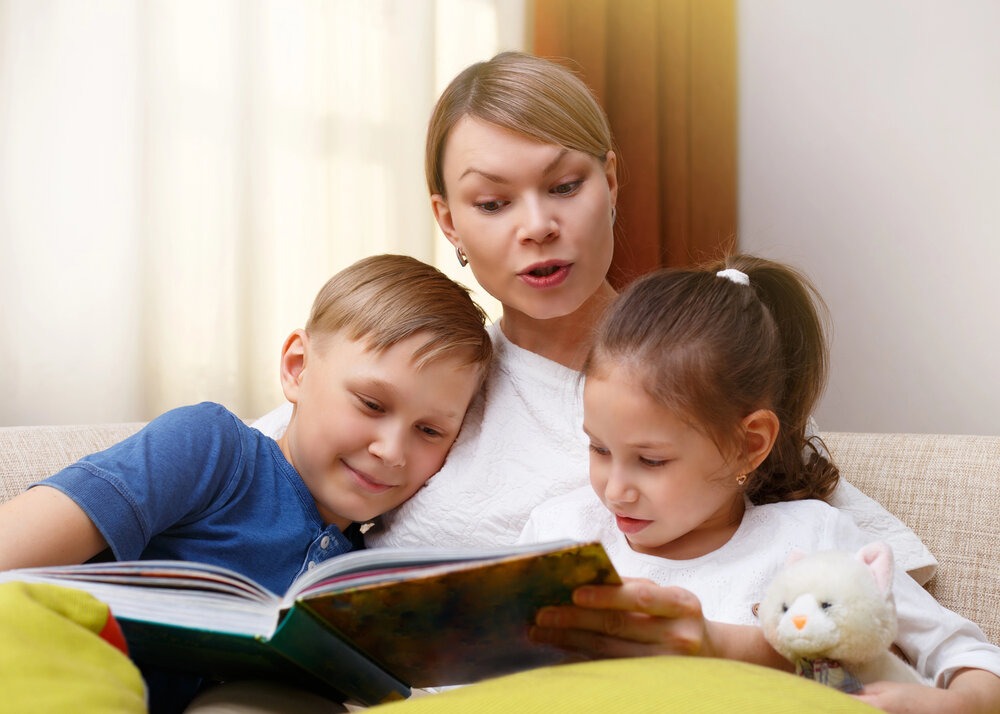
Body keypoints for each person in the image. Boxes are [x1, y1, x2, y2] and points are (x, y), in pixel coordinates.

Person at [256, 49, 935, 616]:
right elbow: (258, 460)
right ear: (449, 221)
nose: (537, 226)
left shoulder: (693, 370)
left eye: (564, 186)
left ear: (610, 181)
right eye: (492, 203)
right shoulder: (430, 383)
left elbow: (887, 584)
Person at [0, 254, 493, 713]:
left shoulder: (364, 573)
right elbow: (14, 549)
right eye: (371, 403)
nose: (391, 450)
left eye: (429, 431)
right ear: (298, 368)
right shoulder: (210, 447)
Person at [518, 255, 1000, 714]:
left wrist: (954, 703)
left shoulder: (810, 541)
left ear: (749, 445)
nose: (615, 490)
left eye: (651, 460)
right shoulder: (559, 533)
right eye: (599, 449)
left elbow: (978, 663)